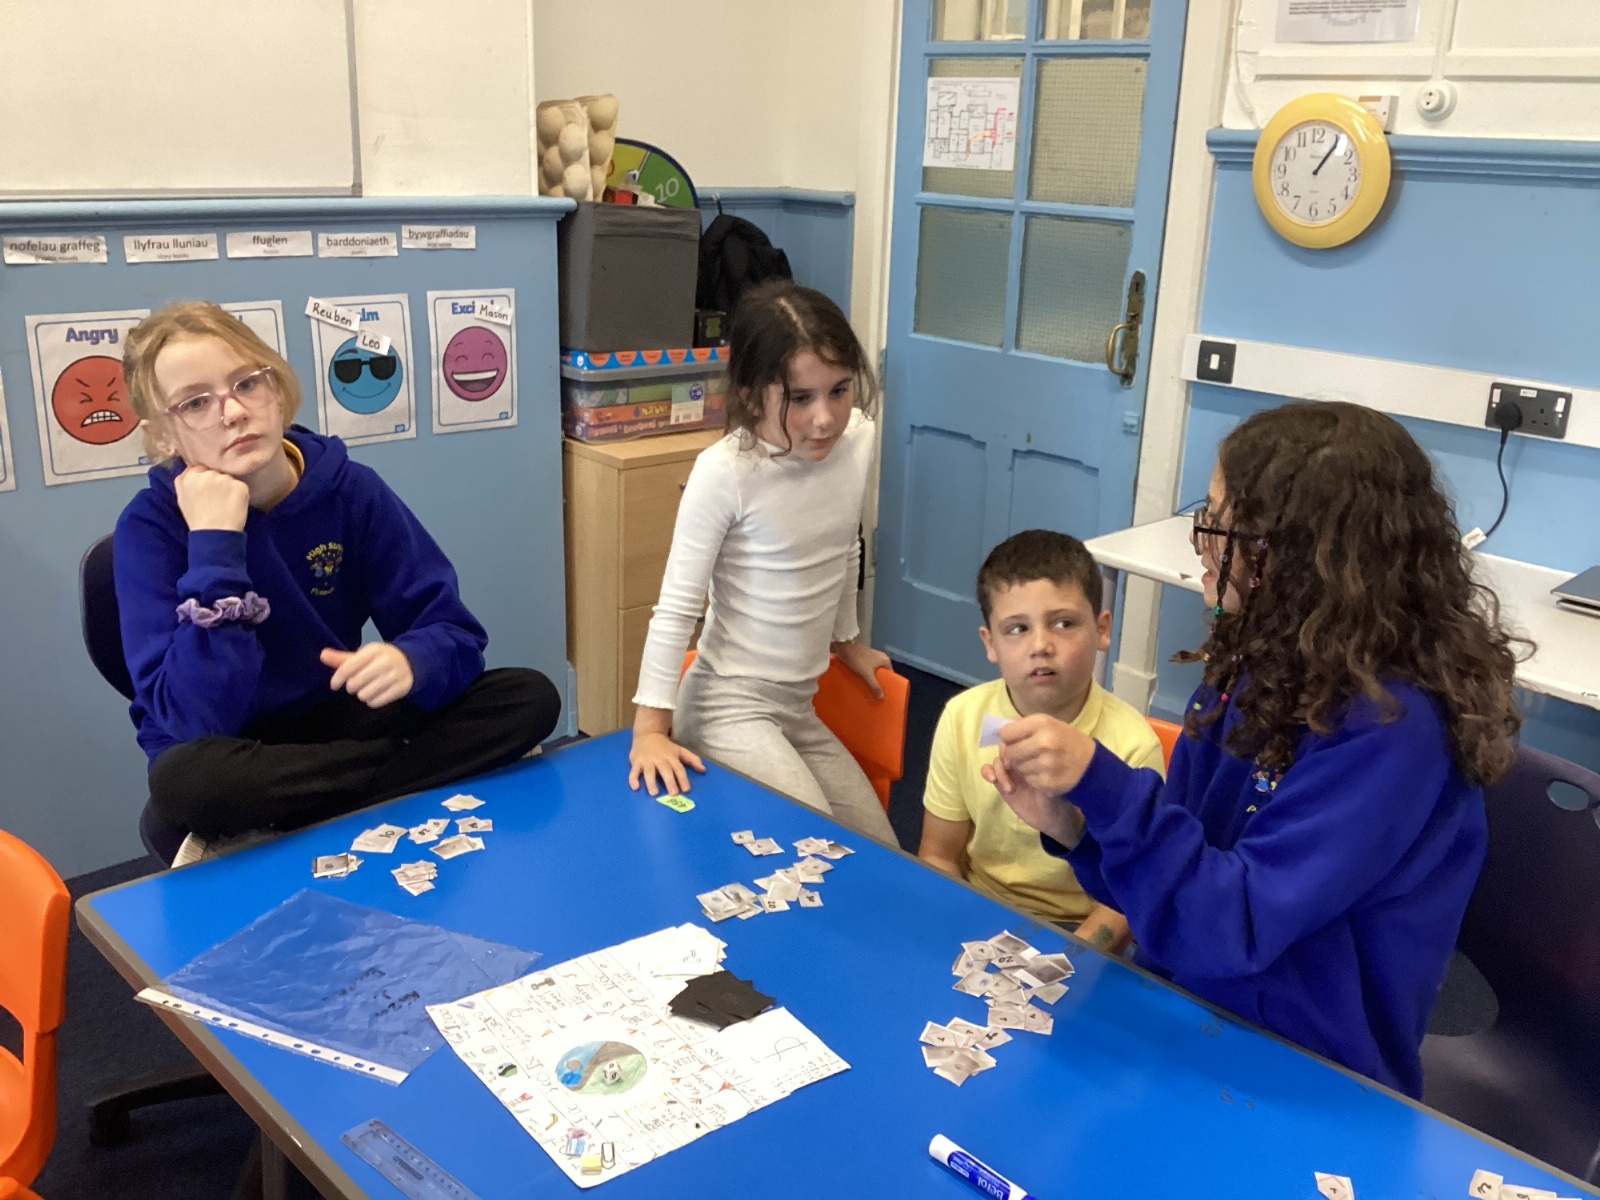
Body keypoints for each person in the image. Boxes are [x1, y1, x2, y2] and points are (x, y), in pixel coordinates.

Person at [985, 401, 1525, 1097]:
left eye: (1217, 525)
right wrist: (1078, 829)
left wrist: (1108, 788)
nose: (1199, 545)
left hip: (1308, 1066)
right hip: (1192, 1003)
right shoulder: (1253, 666)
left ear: (1294, 556)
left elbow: (1229, 924)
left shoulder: (1393, 727)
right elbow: (1176, 885)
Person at [114, 301, 561, 864]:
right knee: (187, 785)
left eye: (246, 384)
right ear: (163, 437)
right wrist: (215, 545)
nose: (233, 412)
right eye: (196, 403)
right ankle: (384, 783)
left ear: (276, 391)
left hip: (337, 720)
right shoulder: (150, 527)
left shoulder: (351, 489)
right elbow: (194, 719)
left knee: (528, 697)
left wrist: (412, 660)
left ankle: (301, 816)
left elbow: (453, 631)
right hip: (233, 747)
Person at [626, 281, 896, 843]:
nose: (825, 418)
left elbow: (843, 545)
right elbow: (676, 607)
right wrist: (650, 730)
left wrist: (847, 640)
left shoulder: (858, 440)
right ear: (751, 396)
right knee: (819, 849)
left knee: (885, 856)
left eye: (839, 390)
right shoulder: (725, 471)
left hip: (798, 707)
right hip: (727, 706)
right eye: (800, 398)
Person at [918, 530, 1163, 950]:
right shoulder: (961, 717)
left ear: (1102, 629)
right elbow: (939, 853)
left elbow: (1130, 899)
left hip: (1078, 928)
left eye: (1064, 623)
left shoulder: (1134, 745)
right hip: (978, 909)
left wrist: (1066, 961)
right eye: (1017, 629)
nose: (1041, 646)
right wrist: (958, 934)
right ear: (990, 643)